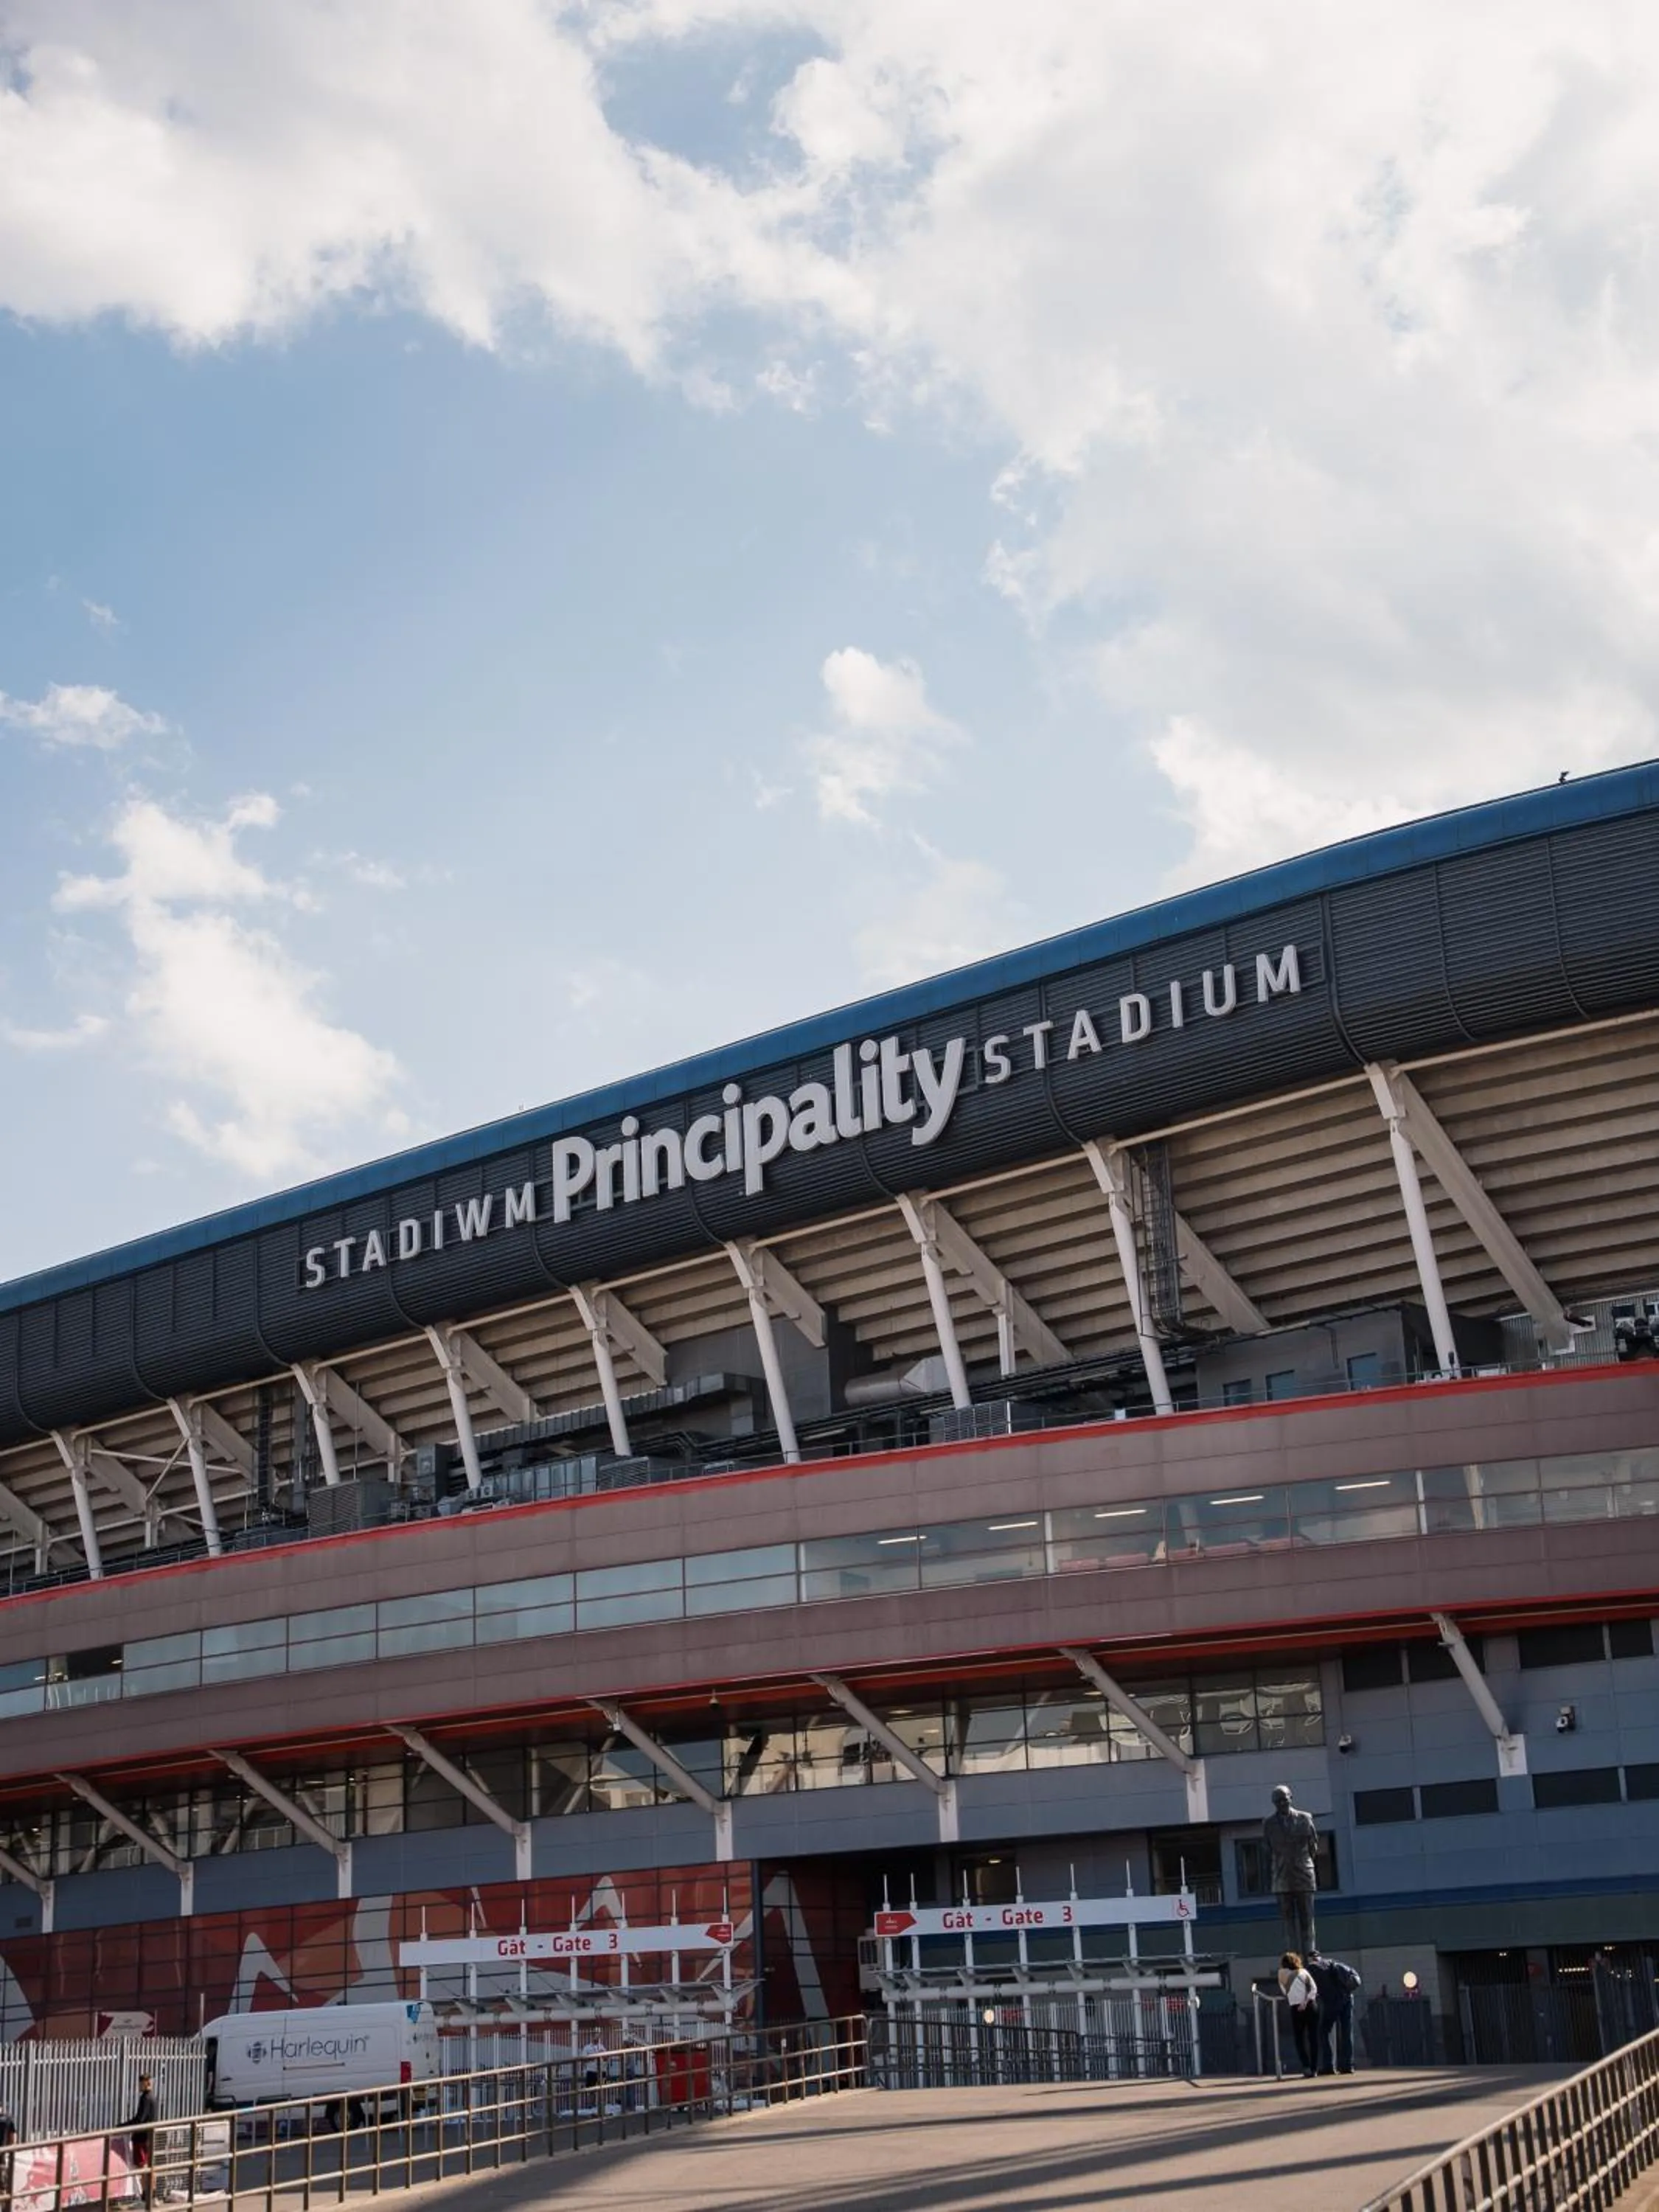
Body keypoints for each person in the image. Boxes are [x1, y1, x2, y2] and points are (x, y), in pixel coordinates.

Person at [1262, 1784, 1319, 1956]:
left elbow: (1313, 1846)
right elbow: (1267, 1850)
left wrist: (1302, 1862)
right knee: (1287, 1922)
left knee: (1307, 1919)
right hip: (1282, 1877)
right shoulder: (1269, 1824)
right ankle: (1292, 1956)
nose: (1282, 1804)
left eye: (1284, 1800)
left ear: (1291, 1798)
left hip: (1304, 1875)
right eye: (1278, 1802)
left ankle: (1311, 1954)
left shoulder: (1305, 1818)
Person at [1307, 1950, 1363, 2076]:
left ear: (1310, 1959)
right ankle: (1348, 2066)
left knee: (1324, 2031)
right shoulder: (1332, 1962)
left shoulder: (1311, 1968)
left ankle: (1328, 2066)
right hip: (1348, 1998)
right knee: (1347, 2032)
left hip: (1332, 2001)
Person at [1277, 1952, 1320, 2076]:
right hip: (1310, 2005)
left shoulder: (1282, 1975)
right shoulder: (1304, 1972)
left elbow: (1285, 1992)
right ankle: (1314, 2068)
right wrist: (1306, 2001)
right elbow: (1314, 1988)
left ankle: (1306, 2066)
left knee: (1299, 2039)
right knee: (1313, 2038)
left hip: (1295, 2007)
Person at [126, 2073, 156, 2207]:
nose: (138, 2086)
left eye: (140, 2083)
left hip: (141, 2137)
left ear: (145, 2083)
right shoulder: (153, 2098)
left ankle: (146, 2197)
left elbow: (140, 2119)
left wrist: (124, 2126)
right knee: (150, 2166)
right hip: (150, 2136)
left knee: (143, 2166)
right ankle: (152, 2195)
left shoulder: (145, 2098)